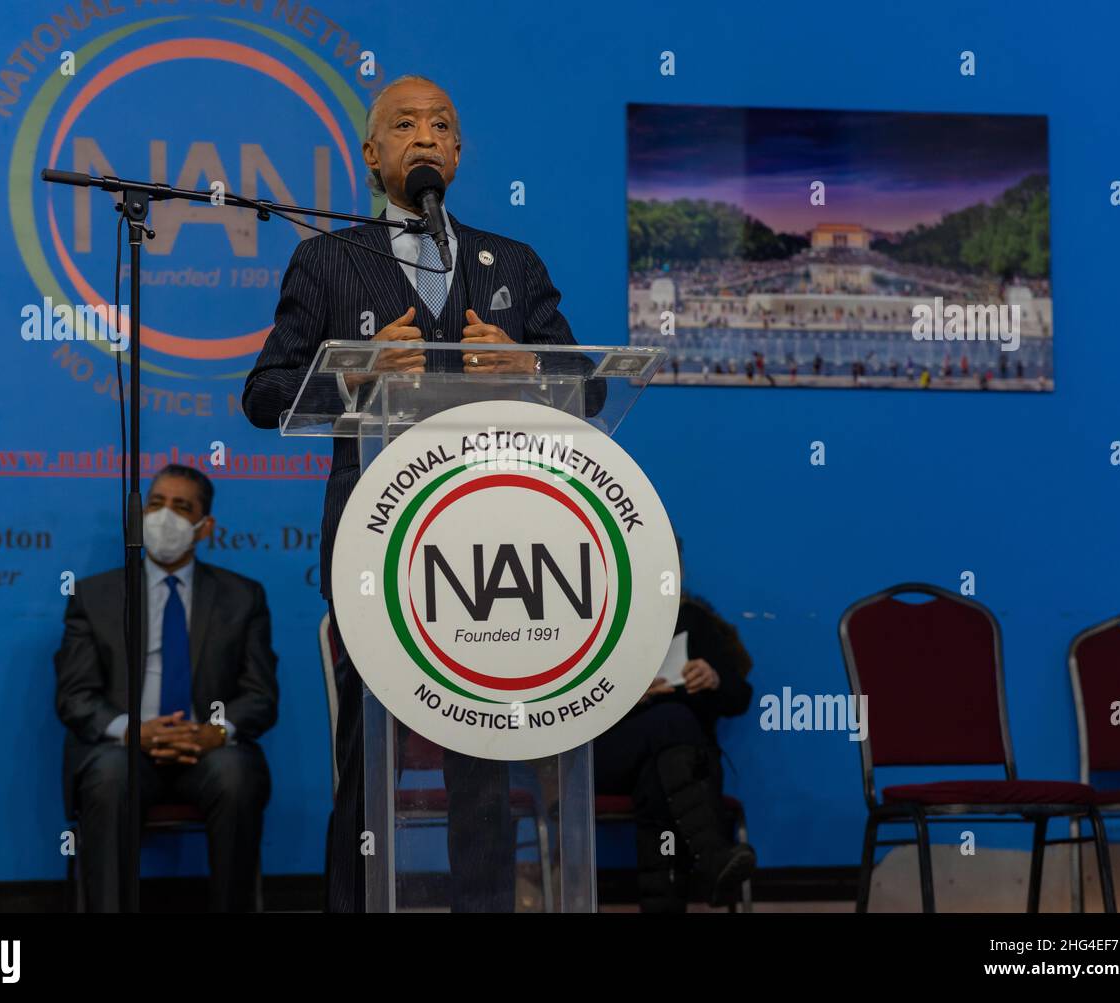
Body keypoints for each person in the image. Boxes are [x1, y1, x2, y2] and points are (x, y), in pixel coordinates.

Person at [241, 75, 594, 913]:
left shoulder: (512, 262)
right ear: (371, 154)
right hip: (375, 544)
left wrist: (529, 365)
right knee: (370, 758)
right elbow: (263, 394)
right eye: (404, 124)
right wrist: (352, 374)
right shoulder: (327, 259)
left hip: (494, 549)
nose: (425, 137)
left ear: (461, 153)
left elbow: (590, 386)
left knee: (483, 755)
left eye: (442, 125)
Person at [54, 464, 279, 912]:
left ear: (204, 526)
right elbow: (74, 696)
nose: (164, 516)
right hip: (122, 750)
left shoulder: (242, 597)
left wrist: (213, 732)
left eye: (181, 507)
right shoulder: (94, 596)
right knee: (110, 777)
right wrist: (133, 731)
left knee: (236, 776)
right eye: (155, 504)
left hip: (209, 751)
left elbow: (260, 695)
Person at [594, 540, 756, 912]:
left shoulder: (695, 620)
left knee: (665, 770)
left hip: (683, 767)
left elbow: (740, 697)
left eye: (676, 566)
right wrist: (624, 697)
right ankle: (712, 858)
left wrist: (714, 678)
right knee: (674, 720)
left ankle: (684, 886)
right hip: (617, 756)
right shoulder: (603, 623)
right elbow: (573, 707)